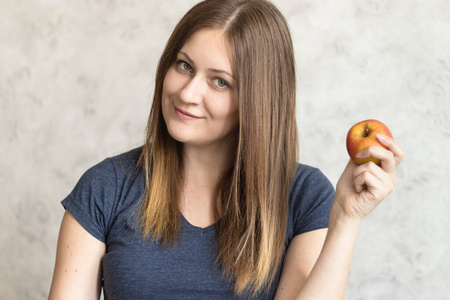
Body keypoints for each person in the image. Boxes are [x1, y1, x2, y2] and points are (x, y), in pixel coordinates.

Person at [48, 0, 404, 299]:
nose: (187, 93)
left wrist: (345, 220)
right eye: (184, 65)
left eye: (220, 82)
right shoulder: (105, 187)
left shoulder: (305, 195)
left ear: (257, 101)